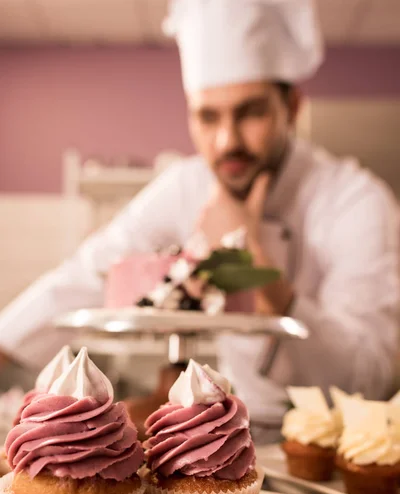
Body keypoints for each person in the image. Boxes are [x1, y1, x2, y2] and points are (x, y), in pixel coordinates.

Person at [0, 0, 399, 443]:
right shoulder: (187, 186)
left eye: (250, 112)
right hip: (234, 435)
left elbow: (371, 375)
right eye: (208, 117)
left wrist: (258, 269)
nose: (227, 141)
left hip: (338, 444)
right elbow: (92, 270)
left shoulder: (355, 200)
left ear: (292, 106)